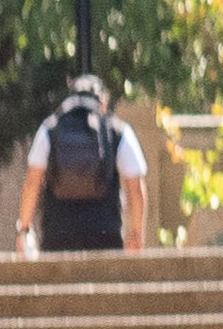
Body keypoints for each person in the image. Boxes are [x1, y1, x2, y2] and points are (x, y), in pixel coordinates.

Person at [16, 72, 149, 252]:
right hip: (105, 236)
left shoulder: (50, 129)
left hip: (57, 236)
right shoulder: (118, 131)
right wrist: (136, 233)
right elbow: (136, 188)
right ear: (103, 101)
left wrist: (24, 229)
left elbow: (33, 182)